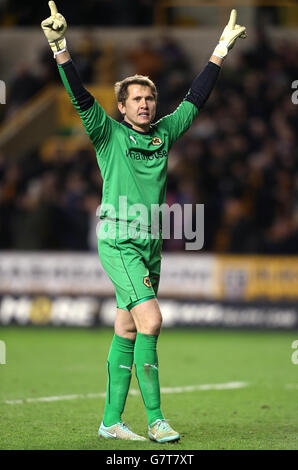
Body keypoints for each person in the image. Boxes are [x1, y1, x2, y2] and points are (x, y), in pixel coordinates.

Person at [41, 1, 246, 442]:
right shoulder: (106, 132)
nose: (146, 103)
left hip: (151, 243)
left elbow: (195, 99)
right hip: (119, 239)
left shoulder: (164, 133)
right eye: (137, 98)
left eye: (150, 97)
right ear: (121, 106)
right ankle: (155, 418)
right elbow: (79, 96)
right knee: (151, 321)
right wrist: (60, 48)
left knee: (128, 326)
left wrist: (220, 50)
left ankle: (111, 421)